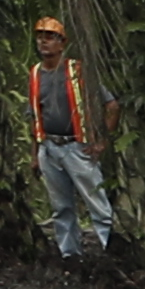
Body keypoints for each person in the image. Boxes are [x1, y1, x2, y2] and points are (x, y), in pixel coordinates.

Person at [29, 14, 112, 260]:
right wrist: (35, 156)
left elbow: (112, 105)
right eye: (40, 37)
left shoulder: (77, 71)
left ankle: (111, 252)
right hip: (50, 147)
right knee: (61, 207)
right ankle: (70, 256)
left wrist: (101, 141)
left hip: (77, 147)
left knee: (97, 204)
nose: (44, 42)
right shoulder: (35, 74)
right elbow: (34, 117)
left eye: (50, 37)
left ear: (62, 43)